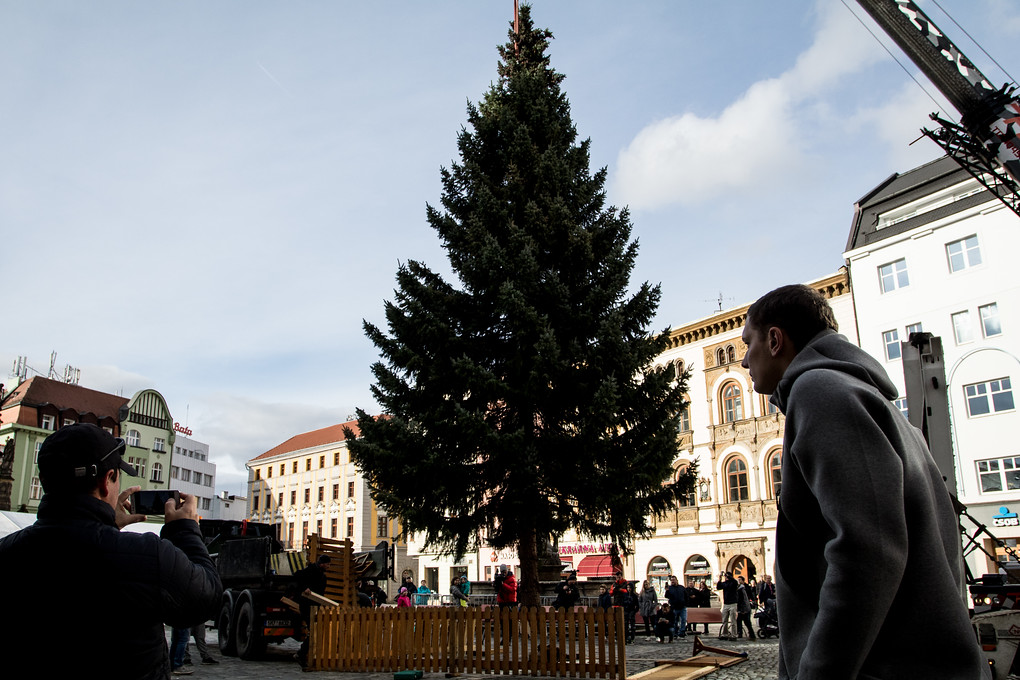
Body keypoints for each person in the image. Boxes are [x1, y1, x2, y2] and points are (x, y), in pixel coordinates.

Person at [741, 283, 991, 680]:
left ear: (774, 340)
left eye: (747, 343)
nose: (743, 360)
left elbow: (867, 550)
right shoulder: (872, 401)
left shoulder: (820, 391)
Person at [0, 423, 222, 679]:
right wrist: (184, 529)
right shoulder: (148, 556)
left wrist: (106, 526)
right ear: (107, 482)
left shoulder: (8, 551)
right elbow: (205, 599)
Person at [292, 553, 332, 668]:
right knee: (313, 632)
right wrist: (305, 588)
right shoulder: (310, 571)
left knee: (315, 632)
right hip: (306, 605)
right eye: (327, 564)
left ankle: (303, 655)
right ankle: (301, 654)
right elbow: (297, 576)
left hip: (315, 606)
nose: (328, 566)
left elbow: (320, 593)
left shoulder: (322, 576)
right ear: (322, 564)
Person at [716, 572, 738, 641]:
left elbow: (734, 583)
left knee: (733, 620)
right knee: (724, 620)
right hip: (726, 604)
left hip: (733, 603)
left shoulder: (733, 582)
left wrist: (729, 576)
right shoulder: (724, 583)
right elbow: (718, 587)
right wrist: (719, 579)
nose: (725, 577)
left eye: (726, 576)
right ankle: (724, 634)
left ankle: (734, 635)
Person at [664, 575, 688, 639]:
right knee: (675, 621)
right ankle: (675, 633)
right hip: (674, 607)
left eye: (674, 580)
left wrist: (685, 603)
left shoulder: (681, 587)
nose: (673, 581)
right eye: (671, 580)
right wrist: (667, 590)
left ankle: (682, 632)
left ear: (676, 580)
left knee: (683, 620)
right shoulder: (670, 588)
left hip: (682, 607)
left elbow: (686, 595)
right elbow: (666, 596)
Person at [735, 576, 756, 641]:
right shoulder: (740, 588)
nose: (739, 581)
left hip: (744, 608)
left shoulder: (742, 589)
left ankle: (750, 634)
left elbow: (743, 599)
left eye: (740, 580)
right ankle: (741, 633)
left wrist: (742, 609)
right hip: (743, 608)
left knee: (746, 622)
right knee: (740, 621)